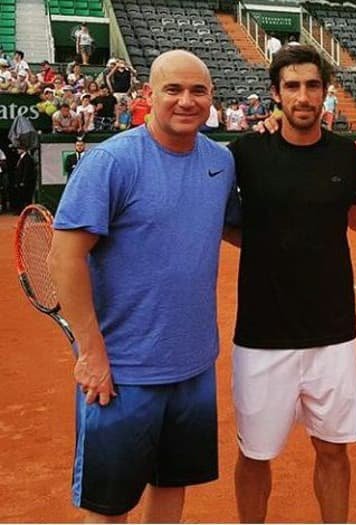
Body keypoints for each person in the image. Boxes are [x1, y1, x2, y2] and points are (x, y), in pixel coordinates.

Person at [48, 50, 238, 522]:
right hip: (123, 372)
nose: (186, 101)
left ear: (211, 97)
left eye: (198, 91)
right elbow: (64, 256)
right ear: (148, 95)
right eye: (173, 89)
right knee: (108, 507)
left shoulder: (220, 161)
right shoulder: (111, 161)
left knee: (172, 485)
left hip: (193, 366)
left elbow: (241, 230)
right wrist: (92, 353)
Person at [228, 44, 356, 524]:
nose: (303, 96)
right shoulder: (246, 153)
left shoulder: (346, 154)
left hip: (333, 334)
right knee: (255, 455)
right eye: (292, 86)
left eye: (313, 85)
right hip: (261, 336)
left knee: (333, 450)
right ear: (275, 94)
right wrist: (265, 244)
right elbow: (224, 222)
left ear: (325, 91)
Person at [12, 145, 36, 212]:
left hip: (26, 182)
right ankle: (21, 210)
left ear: (23, 150)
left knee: (26, 197)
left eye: (19, 149)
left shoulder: (27, 158)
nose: (17, 150)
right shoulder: (21, 158)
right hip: (20, 181)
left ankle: (27, 210)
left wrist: (23, 181)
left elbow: (26, 171)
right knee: (21, 197)